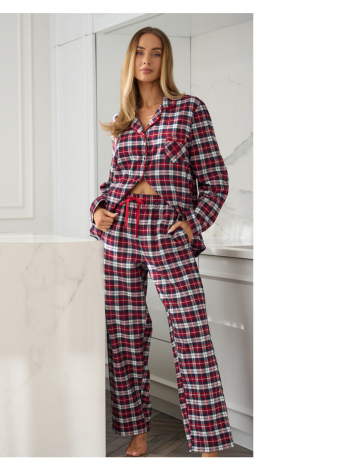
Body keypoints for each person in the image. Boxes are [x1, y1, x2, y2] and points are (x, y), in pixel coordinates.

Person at [89, 26, 234, 457]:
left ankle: (208, 442)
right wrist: (98, 208)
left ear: (165, 60)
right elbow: (114, 182)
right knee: (125, 334)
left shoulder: (189, 110)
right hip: (120, 231)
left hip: (167, 229)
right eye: (140, 53)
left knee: (191, 332)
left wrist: (193, 224)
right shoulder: (122, 119)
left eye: (155, 53)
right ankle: (136, 431)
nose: (147, 61)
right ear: (130, 61)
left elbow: (216, 181)